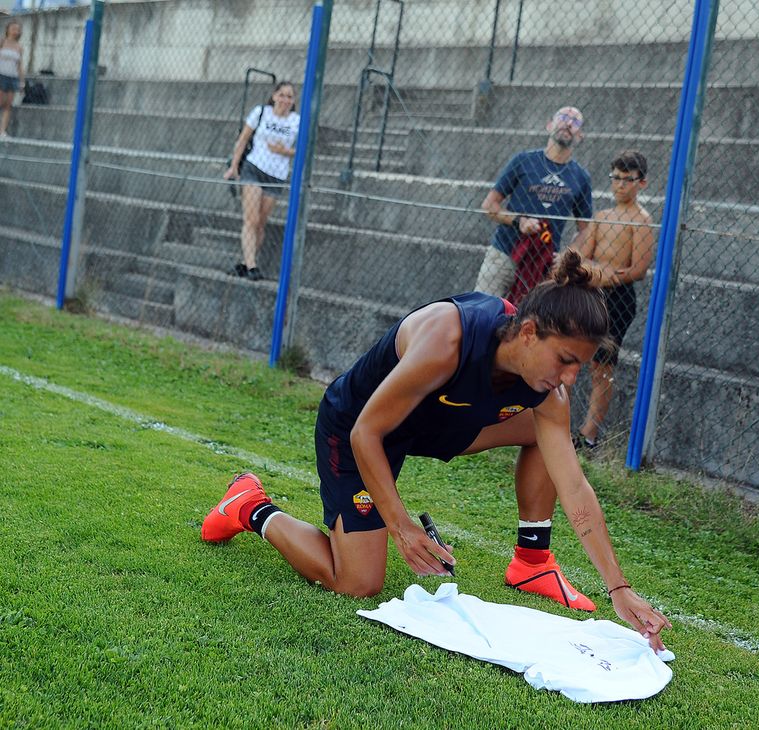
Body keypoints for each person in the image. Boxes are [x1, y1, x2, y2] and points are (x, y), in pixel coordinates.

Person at [201, 251, 671, 652]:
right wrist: (402, 528)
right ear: (528, 333)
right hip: (361, 426)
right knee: (357, 583)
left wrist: (619, 588)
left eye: (580, 367)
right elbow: (368, 432)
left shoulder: (548, 392)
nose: (571, 378)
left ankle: (531, 562)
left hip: (440, 425)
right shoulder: (448, 339)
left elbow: (574, 486)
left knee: (548, 438)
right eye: (565, 361)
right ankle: (250, 506)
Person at [574, 150, 655, 450]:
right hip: (590, 293)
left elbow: (637, 269)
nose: (620, 185)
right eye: (616, 178)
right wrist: (598, 272)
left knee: (601, 366)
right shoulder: (602, 217)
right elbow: (583, 256)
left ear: (641, 183)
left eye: (628, 180)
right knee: (571, 354)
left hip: (618, 299)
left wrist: (599, 273)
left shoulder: (642, 221)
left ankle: (589, 433)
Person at [475, 106, 593, 301]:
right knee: (480, 313)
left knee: (526, 322)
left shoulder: (581, 177)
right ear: (549, 125)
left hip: (543, 263)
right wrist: (518, 221)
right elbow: (489, 206)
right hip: (504, 254)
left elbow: (585, 229)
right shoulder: (523, 161)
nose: (568, 123)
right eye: (563, 117)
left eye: (575, 121)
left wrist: (566, 254)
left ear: (580, 135)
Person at [223, 81, 300, 281]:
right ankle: (252, 267)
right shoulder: (261, 112)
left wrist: (284, 151)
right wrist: (234, 166)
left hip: (276, 176)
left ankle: (245, 262)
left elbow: (303, 151)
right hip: (254, 168)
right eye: (282, 95)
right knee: (252, 219)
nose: (285, 100)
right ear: (274, 96)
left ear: (293, 101)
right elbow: (243, 139)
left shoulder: (296, 121)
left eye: (289, 97)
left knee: (261, 224)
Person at [0, 21, 24, 139]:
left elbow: (19, 66)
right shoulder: (2, 42)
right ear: (8, 29)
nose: (15, 31)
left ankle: (2, 131)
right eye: (13, 28)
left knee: (8, 106)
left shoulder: (19, 47)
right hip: (1, 75)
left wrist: (21, 81)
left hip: (12, 77)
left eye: (17, 29)